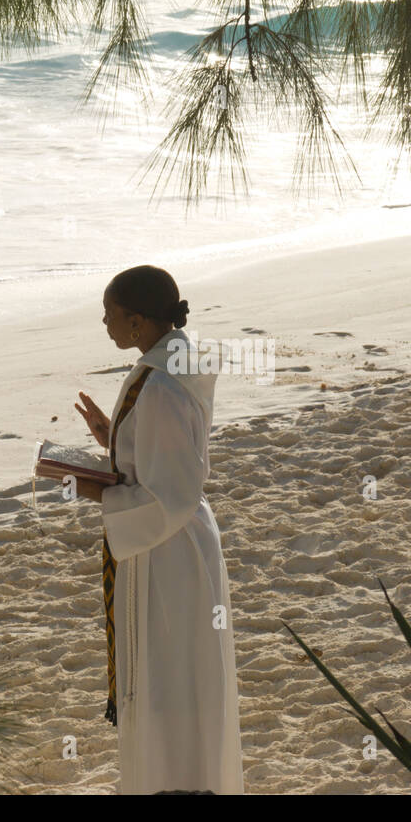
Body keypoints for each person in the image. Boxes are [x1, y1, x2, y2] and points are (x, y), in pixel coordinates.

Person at [72, 266, 243, 794]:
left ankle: (178, 784)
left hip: (168, 546)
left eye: (111, 315)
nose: (105, 323)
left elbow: (169, 495)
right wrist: (117, 439)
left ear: (139, 320)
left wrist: (96, 489)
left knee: (172, 677)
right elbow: (163, 458)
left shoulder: (163, 383)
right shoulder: (173, 360)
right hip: (172, 538)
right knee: (178, 676)